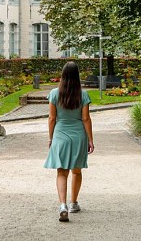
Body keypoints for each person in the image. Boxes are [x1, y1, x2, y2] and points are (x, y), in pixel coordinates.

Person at [44, 61, 95, 222]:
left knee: (61, 172)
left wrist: (51, 138)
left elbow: (52, 118)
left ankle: (62, 205)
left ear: (63, 75)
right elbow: (86, 118)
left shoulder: (54, 94)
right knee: (76, 171)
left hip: (60, 135)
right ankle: (73, 203)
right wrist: (91, 140)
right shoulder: (83, 95)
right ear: (77, 76)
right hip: (79, 135)